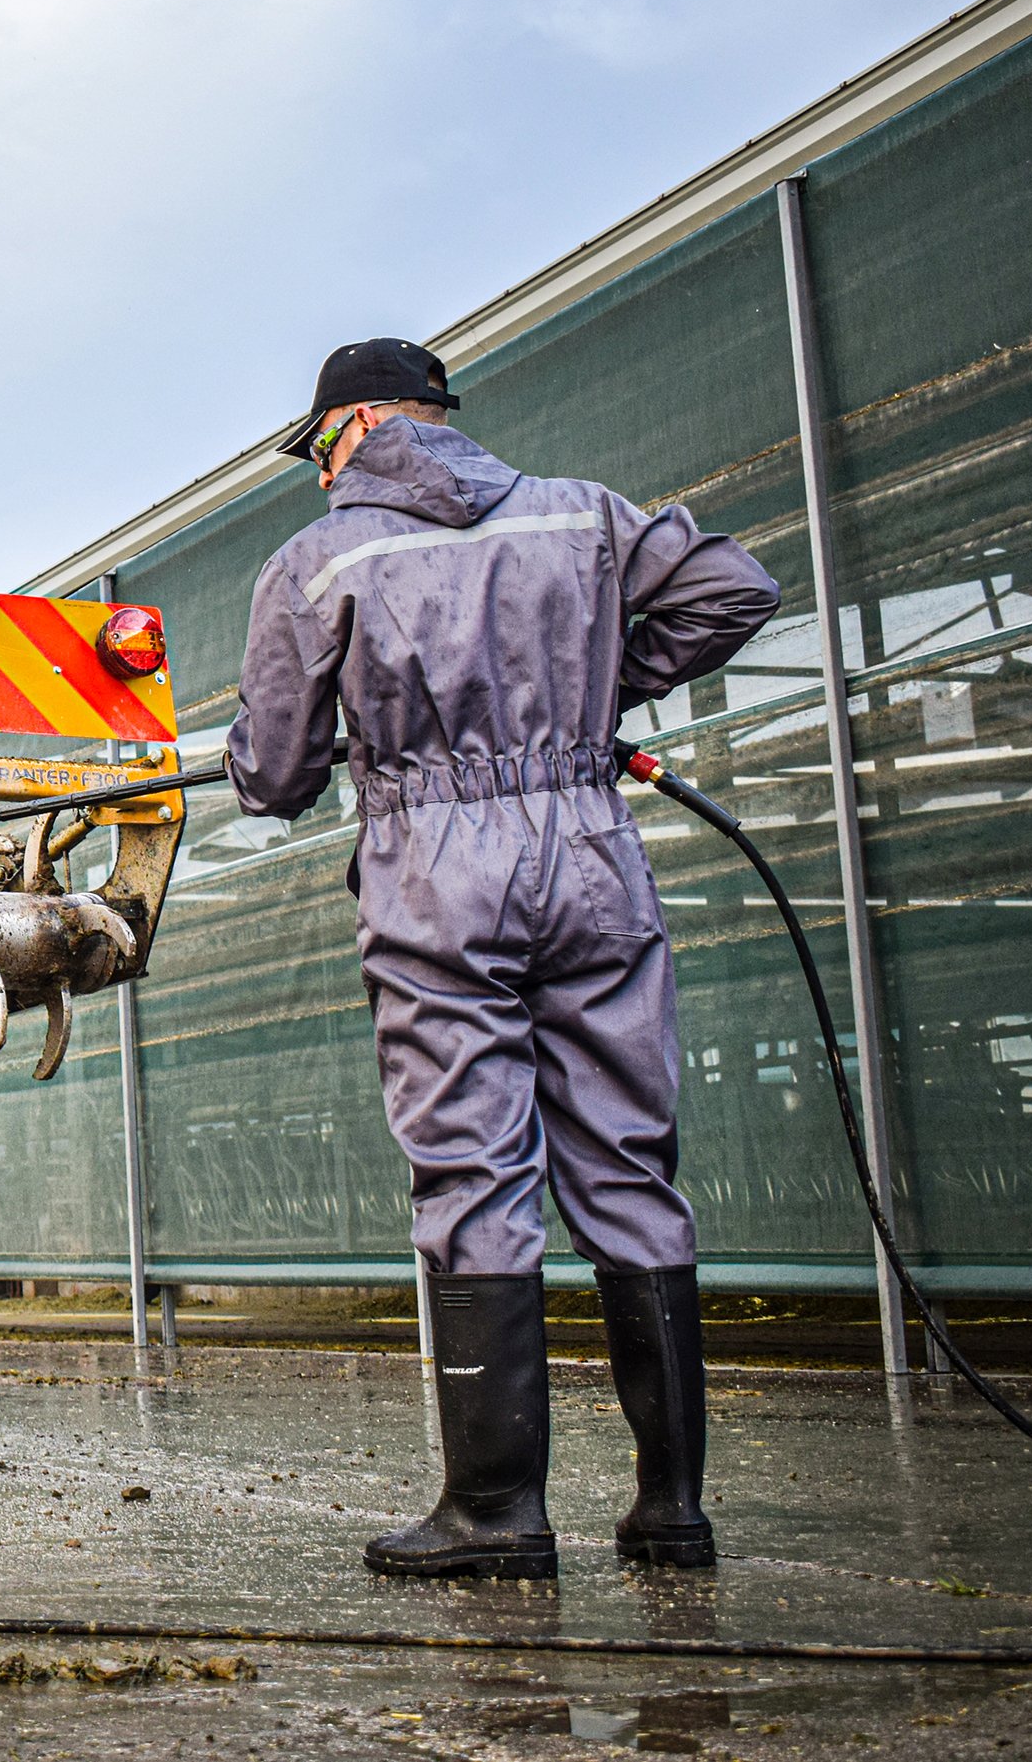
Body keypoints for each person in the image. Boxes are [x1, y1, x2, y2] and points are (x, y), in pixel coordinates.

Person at [226, 338, 780, 1580]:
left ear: (362, 425)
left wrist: (325, 744)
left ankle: (495, 1513)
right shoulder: (584, 516)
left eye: (318, 447)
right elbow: (736, 588)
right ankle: (669, 1512)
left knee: (473, 1172)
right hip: (589, 847)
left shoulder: (319, 562)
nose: (318, 475)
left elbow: (269, 776)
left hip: (435, 873)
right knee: (631, 1163)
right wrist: (592, 697)